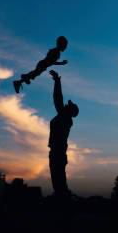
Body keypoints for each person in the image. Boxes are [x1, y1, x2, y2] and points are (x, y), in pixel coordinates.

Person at [47, 69, 78, 198]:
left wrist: (57, 82)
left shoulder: (65, 118)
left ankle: (62, 201)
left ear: (69, 111)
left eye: (68, 105)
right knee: (57, 180)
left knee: (58, 179)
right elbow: (58, 101)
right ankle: (62, 197)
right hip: (57, 151)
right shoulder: (64, 118)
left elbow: (58, 99)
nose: (65, 105)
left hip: (58, 152)